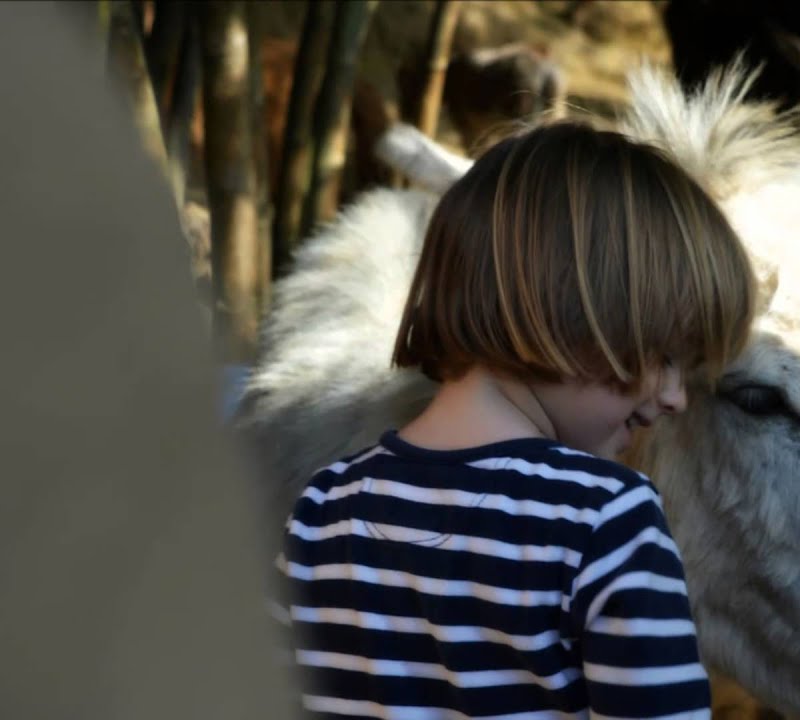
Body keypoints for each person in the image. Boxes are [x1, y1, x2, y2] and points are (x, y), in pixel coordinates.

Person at [275, 121, 757, 718]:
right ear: (572, 313)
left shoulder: (322, 509)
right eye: (666, 356)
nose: (676, 397)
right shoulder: (606, 521)